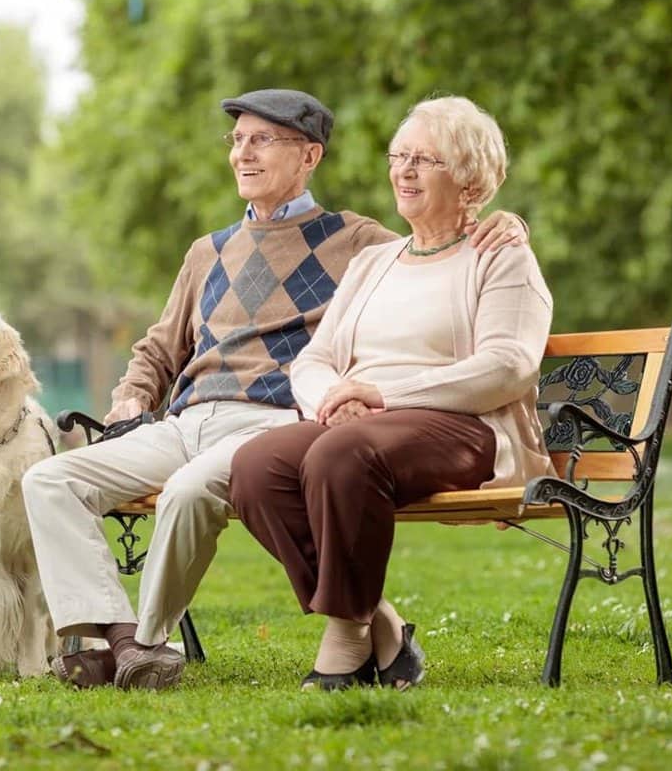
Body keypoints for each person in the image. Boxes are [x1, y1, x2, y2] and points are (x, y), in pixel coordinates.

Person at [21, 89, 527, 690]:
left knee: (191, 492)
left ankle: (148, 645)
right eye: (237, 140)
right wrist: (132, 395)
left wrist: (503, 220)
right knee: (50, 480)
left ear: (309, 156)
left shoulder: (357, 241)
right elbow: (159, 347)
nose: (243, 154)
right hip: (186, 421)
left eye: (261, 139)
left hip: (273, 419)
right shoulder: (205, 252)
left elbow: (438, 243)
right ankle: (125, 639)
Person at [230, 96, 553, 691]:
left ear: (468, 175)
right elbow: (316, 358)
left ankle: (346, 636)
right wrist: (336, 397)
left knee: (339, 455)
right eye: (398, 156)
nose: (403, 170)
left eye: (423, 159)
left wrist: (381, 394)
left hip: (461, 426)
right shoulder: (374, 261)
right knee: (255, 466)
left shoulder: (502, 256)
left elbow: (508, 366)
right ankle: (381, 622)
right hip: (358, 423)